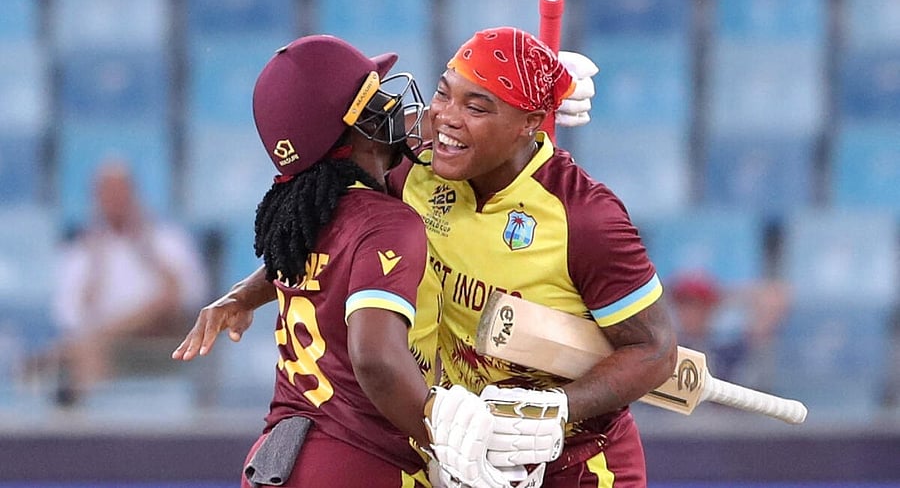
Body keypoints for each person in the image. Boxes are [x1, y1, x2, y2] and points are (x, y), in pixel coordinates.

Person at [176, 27, 676, 488]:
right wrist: (248, 291)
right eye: (443, 92)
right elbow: (327, 225)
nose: (442, 119)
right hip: (460, 451)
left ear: (531, 123)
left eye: (476, 106)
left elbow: (655, 350)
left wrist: (558, 409)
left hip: (572, 460)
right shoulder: (412, 159)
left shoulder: (585, 218)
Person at [174, 35, 506, 488]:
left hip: (278, 461)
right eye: (379, 99)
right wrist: (447, 443)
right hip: (362, 463)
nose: (396, 106)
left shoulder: (305, 214)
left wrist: (532, 99)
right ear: (359, 126)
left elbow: (312, 257)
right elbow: (375, 358)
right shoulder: (387, 222)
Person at [48, 160, 209, 404]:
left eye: (120, 192)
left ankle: (52, 360)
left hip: (163, 344)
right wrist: (96, 267)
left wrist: (147, 252)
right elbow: (70, 315)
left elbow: (190, 297)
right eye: (107, 193)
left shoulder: (167, 240)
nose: (115, 201)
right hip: (106, 350)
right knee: (90, 352)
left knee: (158, 305)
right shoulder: (83, 252)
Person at [668, 270, 790, 391]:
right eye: (684, 304)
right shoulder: (665, 350)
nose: (691, 312)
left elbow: (774, 302)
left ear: (711, 308)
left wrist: (732, 297)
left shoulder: (726, 352)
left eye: (699, 305)